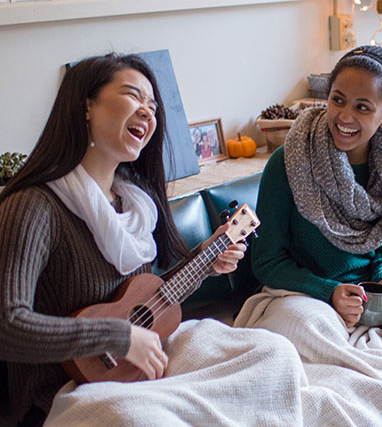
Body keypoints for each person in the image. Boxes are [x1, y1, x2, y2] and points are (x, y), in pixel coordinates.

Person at [0, 53, 302, 426]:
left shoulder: (133, 203)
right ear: (86, 108)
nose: (147, 112)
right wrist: (118, 336)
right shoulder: (32, 206)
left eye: (153, 105)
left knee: (274, 352)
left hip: (136, 369)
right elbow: (8, 326)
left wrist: (206, 260)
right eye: (133, 96)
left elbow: (141, 303)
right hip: (64, 392)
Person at [235, 45, 382, 335]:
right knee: (307, 325)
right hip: (305, 295)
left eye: (362, 107)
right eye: (338, 100)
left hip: (371, 289)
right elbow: (267, 262)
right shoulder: (288, 161)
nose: (345, 116)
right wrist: (329, 292)